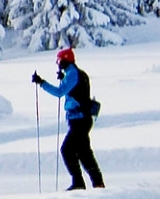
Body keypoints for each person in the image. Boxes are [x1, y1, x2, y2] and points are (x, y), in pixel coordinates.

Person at [31, 47, 106, 190]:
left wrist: (41, 83)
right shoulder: (77, 73)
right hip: (82, 119)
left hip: (79, 119)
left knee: (68, 150)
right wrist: (64, 78)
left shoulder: (72, 74)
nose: (57, 64)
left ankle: (80, 183)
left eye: (59, 61)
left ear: (65, 60)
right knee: (83, 152)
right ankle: (96, 183)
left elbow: (59, 92)